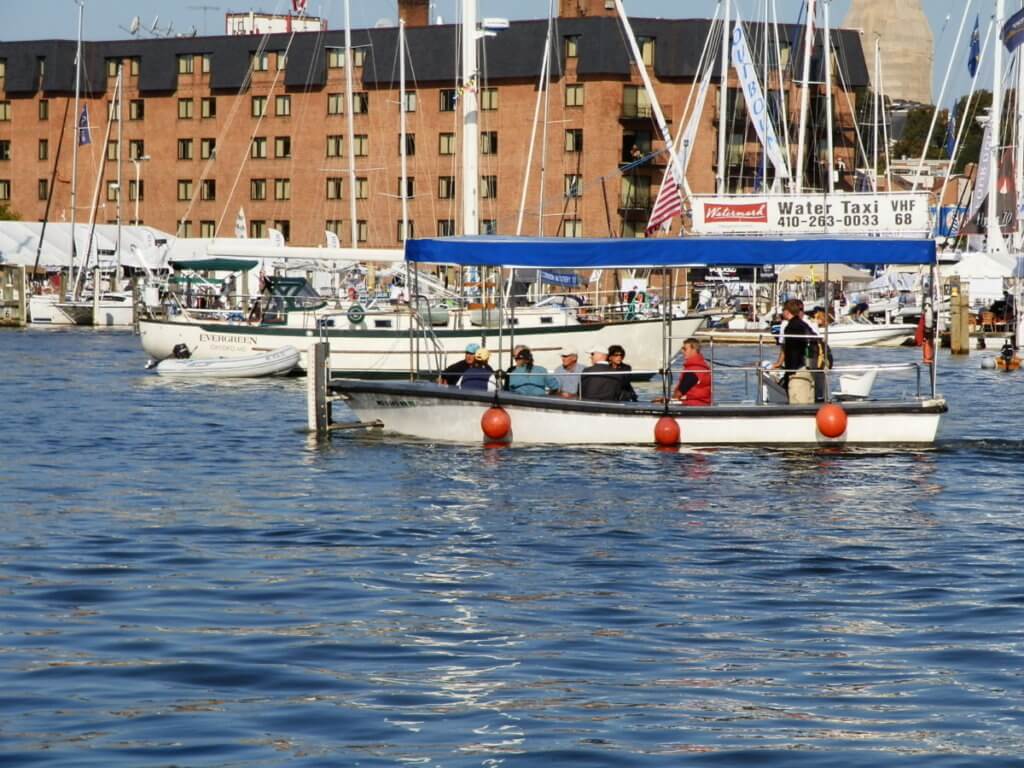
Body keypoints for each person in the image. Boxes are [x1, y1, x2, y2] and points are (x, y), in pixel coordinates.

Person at [772, 298, 815, 404]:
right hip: (809, 369)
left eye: (783, 310)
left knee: (798, 405)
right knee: (809, 405)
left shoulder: (791, 327)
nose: (782, 313)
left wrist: (789, 372)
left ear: (787, 311)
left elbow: (791, 351)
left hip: (797, 372)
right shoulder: (804, 325)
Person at [671, 337, 713, 405]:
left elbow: (679, 393)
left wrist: (667, 401)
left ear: (693, 350)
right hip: (699, 403)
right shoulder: (701, 366)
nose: (682, 351)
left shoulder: (694, 370)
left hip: (693, 405)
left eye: (685, 349)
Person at [810, 309, 835, 403]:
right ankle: (820, 397)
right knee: (819, 381)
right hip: (818, 360)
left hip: (819, 359)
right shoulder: (813, 325)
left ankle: (821, 396)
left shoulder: (813, 325)